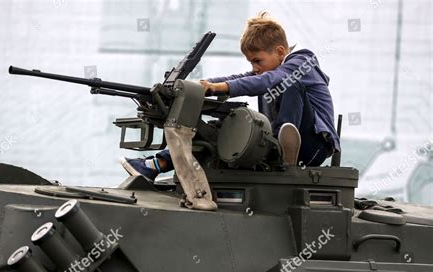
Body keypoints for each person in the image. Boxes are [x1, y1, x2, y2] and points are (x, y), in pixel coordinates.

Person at [120, 12, 340, 181]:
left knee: (291, 83)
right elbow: (242, 77)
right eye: (251, 62)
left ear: (281, 52)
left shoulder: (301, 63)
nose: (254, 68)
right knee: (224, 126)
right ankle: (155, 165)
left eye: (257, 61)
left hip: (314, 147)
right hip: (281, 146)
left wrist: (218, 88)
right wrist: (198, 86)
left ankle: (280, 149)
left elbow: (265, 82)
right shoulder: (270, 70)